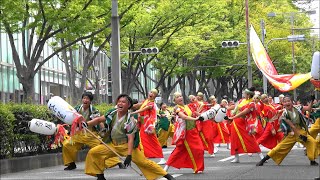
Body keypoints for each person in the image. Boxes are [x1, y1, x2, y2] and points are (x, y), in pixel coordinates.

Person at [84, 94, 175, 180]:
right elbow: (99, 119)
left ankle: (166, 175)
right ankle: (100, 176)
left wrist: (129, 155)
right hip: (112, 144)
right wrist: (86, 123)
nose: (120, 103)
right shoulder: (112, 113)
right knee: (93, 153)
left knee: (144, 162)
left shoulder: (130, 120)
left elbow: (131, 138)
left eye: (123, 102)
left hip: (126, 146)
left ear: (128, 105)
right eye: (119, 101)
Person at [62, 92, 124, 170]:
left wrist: (103, 131)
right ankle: (71, 163)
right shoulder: (76, 109)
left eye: (87, 99)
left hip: (90, 135)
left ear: (90, 101)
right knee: (67, 145)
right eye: (84, 98)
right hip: (78, 134)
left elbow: (98, 121)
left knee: (102, 147)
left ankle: (117, 162)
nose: (85, 100)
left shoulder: (94, 110)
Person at [256, 95, 318, 166]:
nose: (287, 103)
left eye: (288, 101)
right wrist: (300, 136)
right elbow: (292, 126)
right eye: (285, 102)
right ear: (283, 103)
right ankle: (263, 160)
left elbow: (308, 108)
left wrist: (311, 101)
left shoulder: (298, 107)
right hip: (292, 133)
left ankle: (312, 160)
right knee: (279, 148)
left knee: (312, 142)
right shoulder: (284, 114)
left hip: (300, 130)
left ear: (292, 102)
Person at [164, 92, 205, 174]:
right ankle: (166, 166)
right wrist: (195, 119)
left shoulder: (188, 106)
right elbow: (184, 116)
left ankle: (197, 167)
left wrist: (206, 115)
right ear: (175, 100)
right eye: (177, 97)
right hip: (185, 133)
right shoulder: (177, 108)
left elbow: (196, 113)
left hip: (193, 131)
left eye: (180, 96)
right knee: (179, 150)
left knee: (199, 149)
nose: (179, 97)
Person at [227, 87, 264, 163]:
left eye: (245, 94)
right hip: (236, 122)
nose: (244, 95)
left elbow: (243, 112)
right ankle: (236, 157)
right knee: (234, 139)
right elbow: (236, 108)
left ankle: (261, 156)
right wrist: (232, 115)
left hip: (244, 122)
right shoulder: (242, 101)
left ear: (248, 95)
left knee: (250, 138)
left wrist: (233, 117)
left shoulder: (252, 103)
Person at [131, 89, 165, 164]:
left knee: (154, 140)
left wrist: (135, 112)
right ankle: (142, 156)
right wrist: (126, 106)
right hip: (143, 125)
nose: (151, 94)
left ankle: (161, 158)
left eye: (154, 93)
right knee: (142, 140)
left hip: (149, 125)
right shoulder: (146, 101)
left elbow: (145, 108)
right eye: (151, 92)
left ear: (155, 96)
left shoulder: (152, 103)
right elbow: (137, 106)